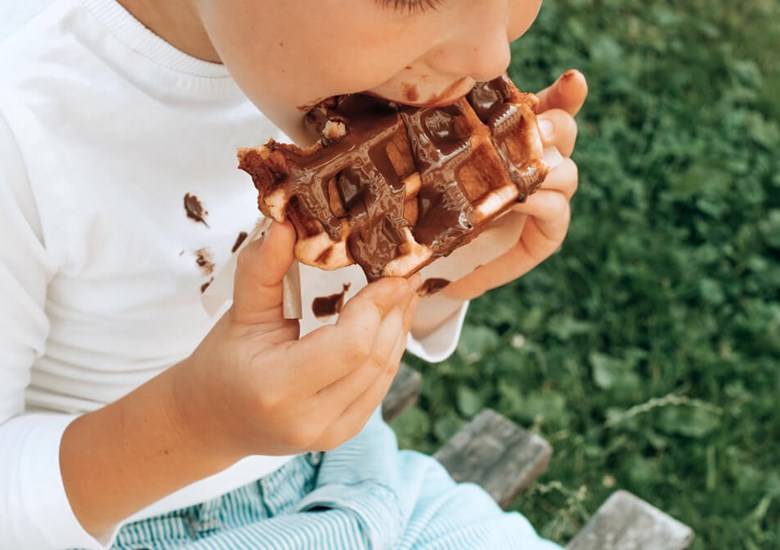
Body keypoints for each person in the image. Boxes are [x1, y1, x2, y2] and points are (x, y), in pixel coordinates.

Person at [0, 0, 586, 548]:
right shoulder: (21, 118)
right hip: (126, 521)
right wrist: (196, 423)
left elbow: (318, 302)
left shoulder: (316, 63)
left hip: (355, 470)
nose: (492, 55)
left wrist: (443, 276)